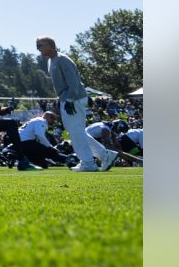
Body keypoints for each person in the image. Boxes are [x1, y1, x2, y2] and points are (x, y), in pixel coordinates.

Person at [35, 36, 119, 172]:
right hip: (68, 99)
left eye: (40, 45)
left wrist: (69, 100)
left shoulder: (62, 59)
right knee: (77, 132)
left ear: (50, 45)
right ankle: (105, 155)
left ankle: (88, 163)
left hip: (73, 99)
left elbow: (74, 82)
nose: (38, 48)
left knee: (76, 132)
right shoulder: (52, 61)